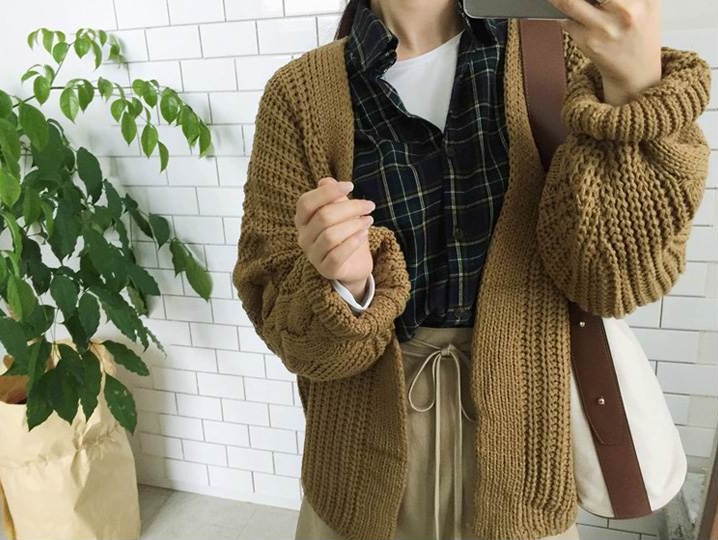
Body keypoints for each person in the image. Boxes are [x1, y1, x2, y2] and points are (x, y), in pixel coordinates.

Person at [231, 0, 712, 538]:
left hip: (526, 453)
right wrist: (347, 287)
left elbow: (613, 281)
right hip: (358, 465)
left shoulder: (560, 50)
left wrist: (636, 94)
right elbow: (283, 319)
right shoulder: (300, 94)